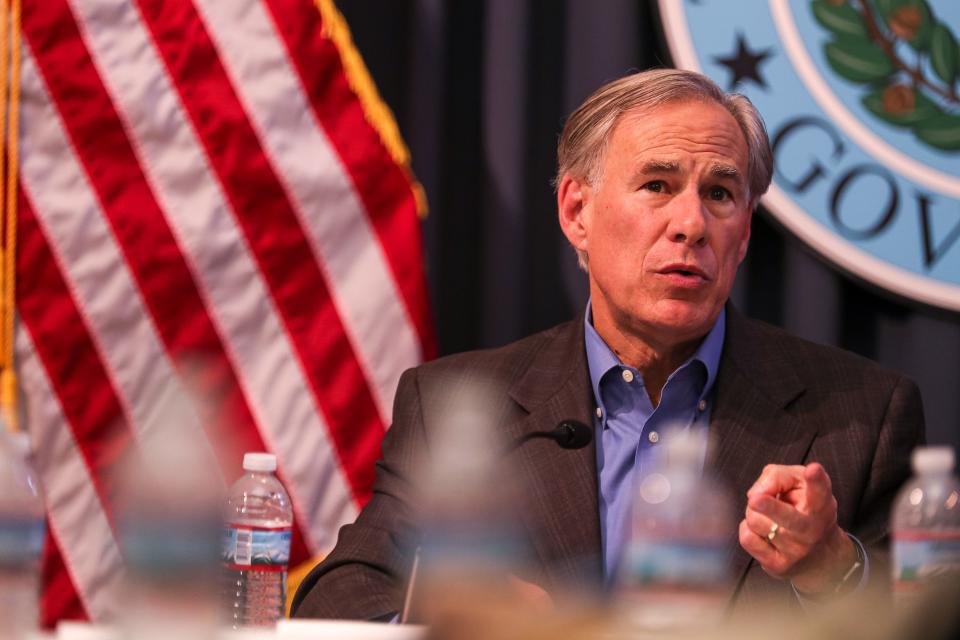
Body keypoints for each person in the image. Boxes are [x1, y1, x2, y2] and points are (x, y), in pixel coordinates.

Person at [291, 68, 924, 619]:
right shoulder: (458, 405)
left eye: (721, 194)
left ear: (746, 231)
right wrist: (454, 609)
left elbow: (926, 615)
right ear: (576, 212)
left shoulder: (862, 413)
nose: (691, 225)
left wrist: (835, 572)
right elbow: (337, 596)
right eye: (657, 186)